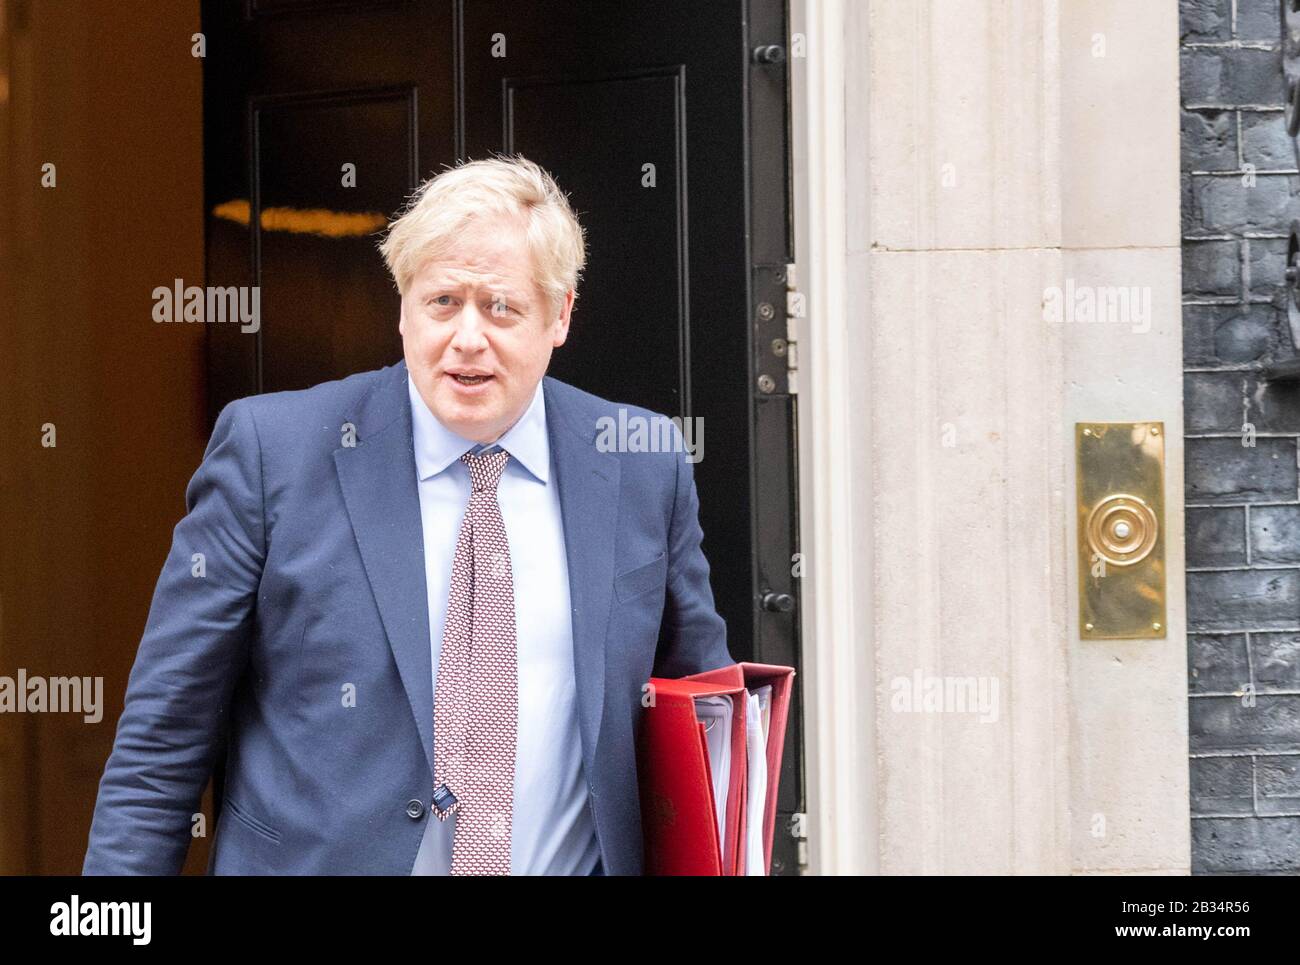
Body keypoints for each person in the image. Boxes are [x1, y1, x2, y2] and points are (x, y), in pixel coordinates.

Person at [82, 155, 733, 875]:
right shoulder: (275, 455)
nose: (467, 337)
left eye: (501, 307)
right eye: (442, 301)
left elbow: (705, 727)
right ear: (402, 307)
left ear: (561, 315)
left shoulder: (641, 463)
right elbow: (160, 745)